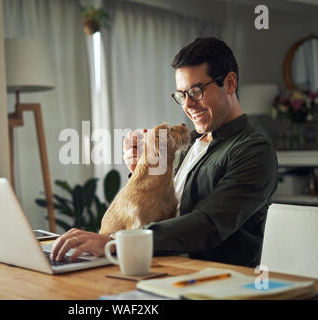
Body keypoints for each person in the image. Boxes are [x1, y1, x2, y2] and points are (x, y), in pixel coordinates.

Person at [51, 37, 278, 267]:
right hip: (158, 268)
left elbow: (207, 225)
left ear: (230, 83)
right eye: (181, 95)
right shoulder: (186, 145)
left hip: (210, 281)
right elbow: (167, 209)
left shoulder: (254, 150)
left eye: (196, 91)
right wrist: (142, 173)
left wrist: (115, 242)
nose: (188, 104)